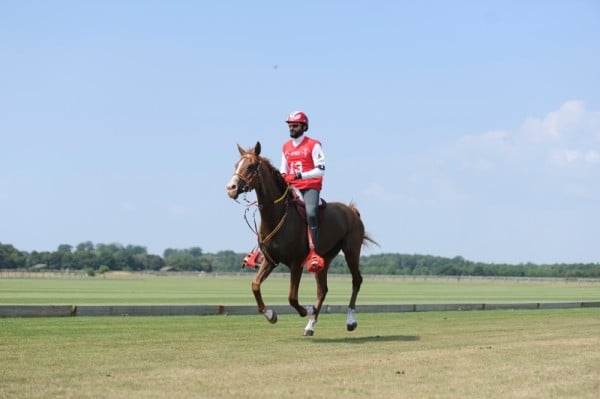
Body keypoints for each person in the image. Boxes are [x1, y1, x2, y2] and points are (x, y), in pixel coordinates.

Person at [243, 110, 326, 272]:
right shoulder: (286, 146)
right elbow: (283, 169)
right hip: (291, 185)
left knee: (311, 213)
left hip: (310, 186)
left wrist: (299, 175)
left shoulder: (314, 144)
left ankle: (313, 252)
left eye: (295, 125)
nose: (291, 128)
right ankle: (259, 250)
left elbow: (321, 169)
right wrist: (282, 177)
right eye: (290, 125)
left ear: (304, 127)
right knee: (270, 210)